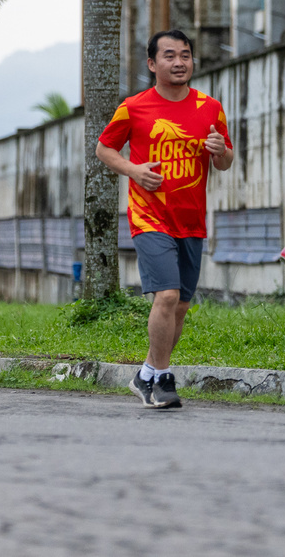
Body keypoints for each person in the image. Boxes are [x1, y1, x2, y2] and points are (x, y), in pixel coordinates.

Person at [96, 29, 233, 410]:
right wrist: (133, 170)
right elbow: (104, 148)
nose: (179, 62)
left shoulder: (210, 107)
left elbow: (225, 160)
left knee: (181, 306)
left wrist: (220, 151)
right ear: (152, 64)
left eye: (185, 55)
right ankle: (163, 378)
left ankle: (145, 374)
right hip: (149, 216)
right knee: (167, 296)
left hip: (192, 219)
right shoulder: (134, 107)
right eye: (169, 55)